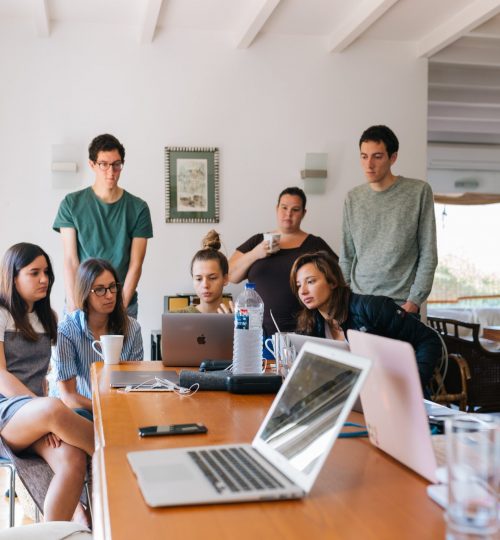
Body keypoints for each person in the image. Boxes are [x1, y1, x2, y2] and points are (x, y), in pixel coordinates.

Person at [0, 243, 93, 523]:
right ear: (13, 276)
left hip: (36, 415)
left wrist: (45, 416)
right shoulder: (1, 312)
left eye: (47, 272)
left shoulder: (46, 318)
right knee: (55, 408)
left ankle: (60, 530)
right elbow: (1, 375)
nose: (45, 279)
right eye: (34, 273)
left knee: (73, 460)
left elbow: (42, 376)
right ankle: (119, 454)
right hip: (7, 413)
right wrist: (43, 410)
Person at [290, 251, 441, 389]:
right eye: (298, 285)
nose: (302, 291)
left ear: (333, 282)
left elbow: (429, 339)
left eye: (310, 282)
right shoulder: (311, 324)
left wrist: (414, 384)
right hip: (354, 397)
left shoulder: (372, 307)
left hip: (394, 394)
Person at [53, 133, 153, 318]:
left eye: (116, 164)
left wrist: (120, 309)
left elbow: (136, 264)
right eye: (104, 164)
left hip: (122, 302)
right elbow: (70, 260)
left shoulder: (138, 208)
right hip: (82, 302)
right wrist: (75, 306)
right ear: (92, 164)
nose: (111, 171)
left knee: (123, 348)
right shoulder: (71, 204)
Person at [340, 125, 437, 314]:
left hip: (401, 306)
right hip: (359, 303)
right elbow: (347, 256)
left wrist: (414, 301)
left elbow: (428, 253)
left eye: (377, 156)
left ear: (393, 158)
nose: (369, 165)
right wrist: (344, 300)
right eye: (364, 156)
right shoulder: (353, 198)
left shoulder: (418, 192)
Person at [229, 187, 337, 336]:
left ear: (303, 213)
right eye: (284, 207)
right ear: (277, 208)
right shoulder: (257, 241)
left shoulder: (315, 244)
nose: (288, 214)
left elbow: (338, 279)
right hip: (256, 332)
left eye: (295, 209)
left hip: (304, 330)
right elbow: (230, 275)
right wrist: (255, 253)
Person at [53, 259, 143, 418]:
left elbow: (135, 385)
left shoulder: (133, 328)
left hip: (121, 409)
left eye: (112, 287)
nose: (109, 295)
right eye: (100, 290)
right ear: (85, 293)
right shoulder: (66, 330)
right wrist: (106, 408)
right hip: (80, 412)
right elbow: (68, 397)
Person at [175, 230, 233, 314]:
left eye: (212, 278)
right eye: (198, 279)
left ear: (225, 279)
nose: (205, 285)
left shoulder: (237, 319)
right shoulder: (177, 318)